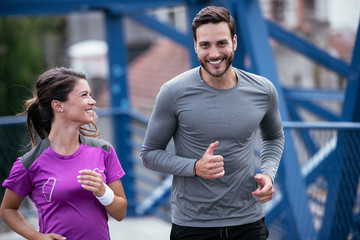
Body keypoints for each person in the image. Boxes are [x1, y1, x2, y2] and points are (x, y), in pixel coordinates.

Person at [141, 6, 284, 240]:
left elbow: (274, 137)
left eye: (221, 43)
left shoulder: (263, 89)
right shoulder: (173, 92)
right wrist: (195, 167)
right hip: (193, 226)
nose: (214, 54)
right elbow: (149, 154)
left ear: (234, 42)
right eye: (205, 45)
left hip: (249, 221)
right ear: (195, 45)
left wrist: (268, 174)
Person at [0, 67, 127, 240]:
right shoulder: (29, 163)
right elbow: (7, 209)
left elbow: (120, 213)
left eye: (90, 94)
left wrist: (103, 192)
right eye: (84, 95)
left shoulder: (104, 151)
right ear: (58, 105)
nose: (92, 101)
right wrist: (38, 237)